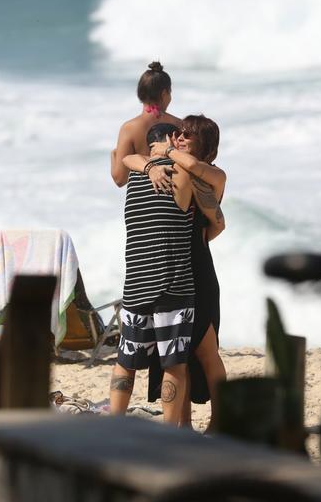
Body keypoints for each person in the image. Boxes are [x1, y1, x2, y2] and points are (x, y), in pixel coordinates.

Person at [124, 115, 227, 430]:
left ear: (204, 144)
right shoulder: (171, 171)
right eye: (177, 133)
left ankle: (223, 420)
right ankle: (182, 423)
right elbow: (127, 158)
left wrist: (164, 153)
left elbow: (218, 223)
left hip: (198, 271)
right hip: (172, 270)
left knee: (206, 350)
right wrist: (153, 165)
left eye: (187, 135)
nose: (178, 138)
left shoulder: (209, 176)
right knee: (177, 356)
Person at [109, 123, 196, 426]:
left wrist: (145, 162)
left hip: (135, 282)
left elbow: (123, 158)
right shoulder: (180, 172)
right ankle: (170, 433)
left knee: (126, 361)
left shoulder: (135, 174)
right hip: (172, 283)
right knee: (174, 363)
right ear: (171, 140)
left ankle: (114, 425)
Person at [110, 61, 182, 187]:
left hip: (141, 202)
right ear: (164, 94)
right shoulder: (180, 125)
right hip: (175, 197)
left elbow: (120, 179)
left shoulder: (129, 128)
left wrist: (113, 154)